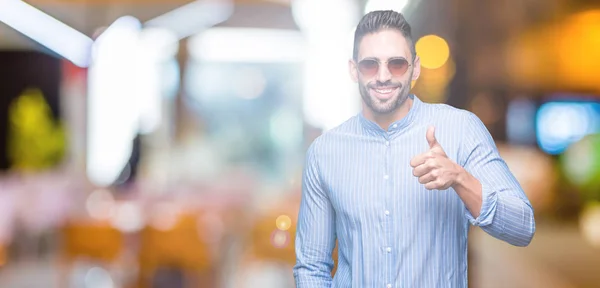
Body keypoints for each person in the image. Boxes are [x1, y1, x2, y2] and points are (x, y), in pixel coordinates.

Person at [293, 10, 535, 288]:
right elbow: (311, 267)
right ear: (353, 69)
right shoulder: (324, 153)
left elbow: (523, 227)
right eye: (370, 64)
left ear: (415, 68)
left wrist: (460, 178)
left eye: (396, 63)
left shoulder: (461, 129)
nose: (383, 76)